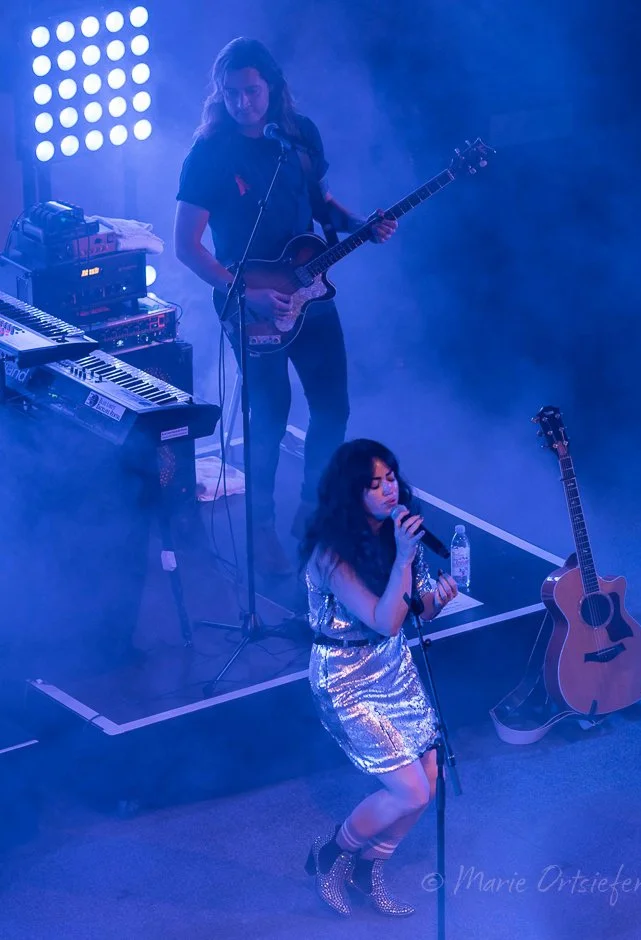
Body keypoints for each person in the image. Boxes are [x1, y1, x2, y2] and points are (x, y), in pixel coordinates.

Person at [174, 38, 397, 577]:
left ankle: (312, 516)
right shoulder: (209, 154)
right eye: (231, 93)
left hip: (310, 293)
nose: (242, 103)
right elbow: (186, 245)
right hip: (250, 302)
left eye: (251, 91)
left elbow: (321, 204)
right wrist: (242, 292)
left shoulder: (299, 137)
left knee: (333, 409)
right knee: (270, 416)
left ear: (272, 88)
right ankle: (260, 529)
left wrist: (359, 224)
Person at [300, 439, 458, 917]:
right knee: (410, 790)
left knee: (431, 775)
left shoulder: (398, 533)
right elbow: (384, 619)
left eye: (391, 478)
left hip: (391, 666)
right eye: (375, 484)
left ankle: (368, 869)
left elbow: (414, 610)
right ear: (353, 492)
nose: (390, 490)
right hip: (346, 678)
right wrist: (404, 558)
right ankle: (331, 854)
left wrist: (437, 600)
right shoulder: (330, 555)